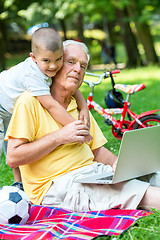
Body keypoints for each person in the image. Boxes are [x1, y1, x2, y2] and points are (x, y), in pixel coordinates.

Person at [5, 40, 160, 211]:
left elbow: (96, 150)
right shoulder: (29, 102)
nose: (78, 69)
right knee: (138, 192)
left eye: (83, 66)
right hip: (58, 186)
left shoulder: (79, 107)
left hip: (94, 173)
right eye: (71, 62)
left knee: (153, 175)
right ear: (55, 64)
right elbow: (13, 157)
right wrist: (60, 137)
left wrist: (119, 166)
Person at [0, 28, 90, 188]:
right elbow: (51, 106)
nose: (54, 66)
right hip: (1, 107)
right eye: (47, 61)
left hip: (10, 107)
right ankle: (18, 183)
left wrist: (84, 107)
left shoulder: (47, 65)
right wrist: (75, 127)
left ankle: (19, 183)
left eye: (59, 59)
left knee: (15, 140)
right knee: (8, 148)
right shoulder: (33, 76)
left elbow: (75, 90)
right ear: (33, 58)